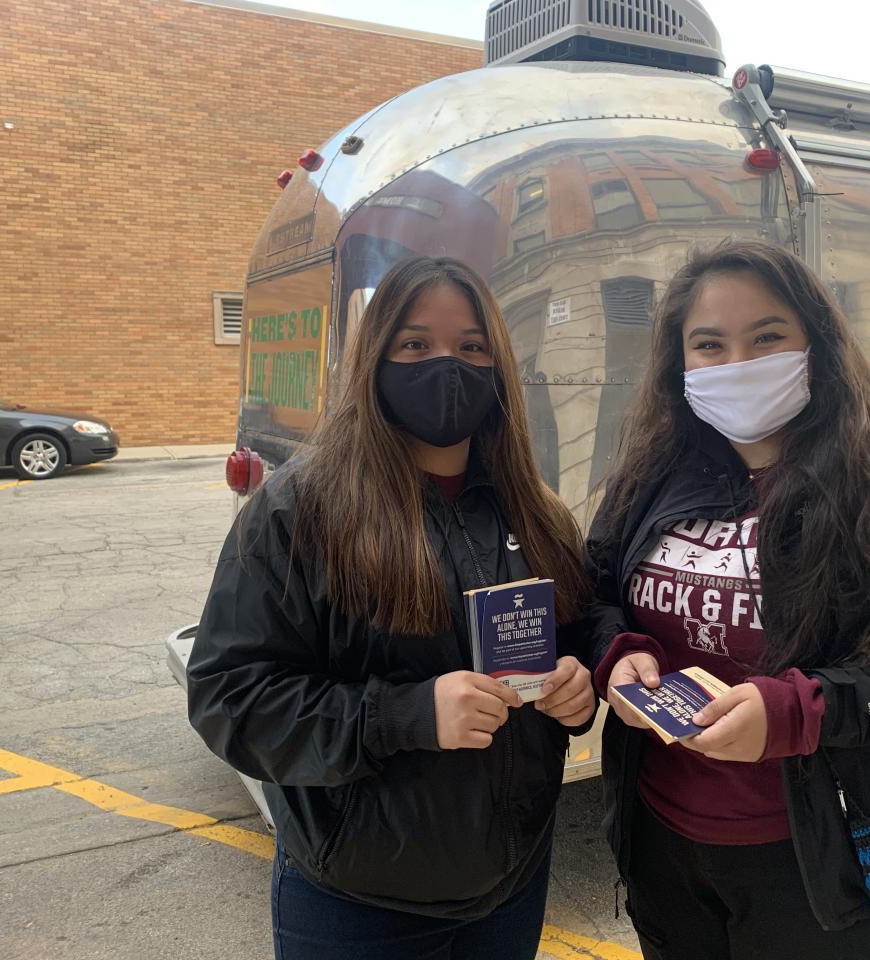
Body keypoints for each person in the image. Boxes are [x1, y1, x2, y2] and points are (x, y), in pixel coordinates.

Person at [584, 240, 870, 960]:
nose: (737, 363)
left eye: (766, 337)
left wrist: (803, 712)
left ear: (816, 343)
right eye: (709, 345)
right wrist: (617, 653)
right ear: (679, 362)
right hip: (662, 848)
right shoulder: (652, 472)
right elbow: (596, 596)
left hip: (820, 870)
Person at [187, 255, 595, 960]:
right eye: (415, 343)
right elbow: (231, 701)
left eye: (472, 346)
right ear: (374, 360)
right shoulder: (300, 510)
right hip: (358, 905)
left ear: (499, 365)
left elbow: (576, 643)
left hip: (513, 887)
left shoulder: (537, 511)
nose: (448, 366)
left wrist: (576, 689)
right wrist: (406, 715)